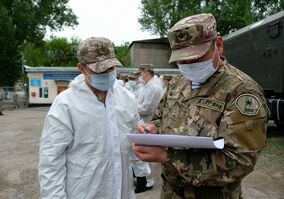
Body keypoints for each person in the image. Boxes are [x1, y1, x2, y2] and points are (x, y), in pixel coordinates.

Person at [132, 13, 270, 199]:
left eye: (196, 57)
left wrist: (167, 158)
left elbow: (241, 161)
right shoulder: (177, 83)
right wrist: (152, 128)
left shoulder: (241, 90)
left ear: (218, 45)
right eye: (182, 60)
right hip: (170, 192)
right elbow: (160, 117)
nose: (188, 65)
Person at [39, 37, 141, 199]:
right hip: (83, 192)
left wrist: (142, 171)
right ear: (81, 68)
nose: (107, 74)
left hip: (122, 190)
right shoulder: (66, 104)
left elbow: (136, 137)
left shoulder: (126, 97)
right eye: (99, 70)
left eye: (110, 68)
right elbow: (51, 160)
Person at [136, 64, 164, 192]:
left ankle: (149, 181)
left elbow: (147, 108)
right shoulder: (147, 86)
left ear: (146, 73)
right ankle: (145, 178)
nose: (140, 76)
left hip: (149, 123)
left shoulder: (154, 87)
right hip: (143, 122)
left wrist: (131, 110)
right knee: (144, 152)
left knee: (149, 152)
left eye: (141, 73)